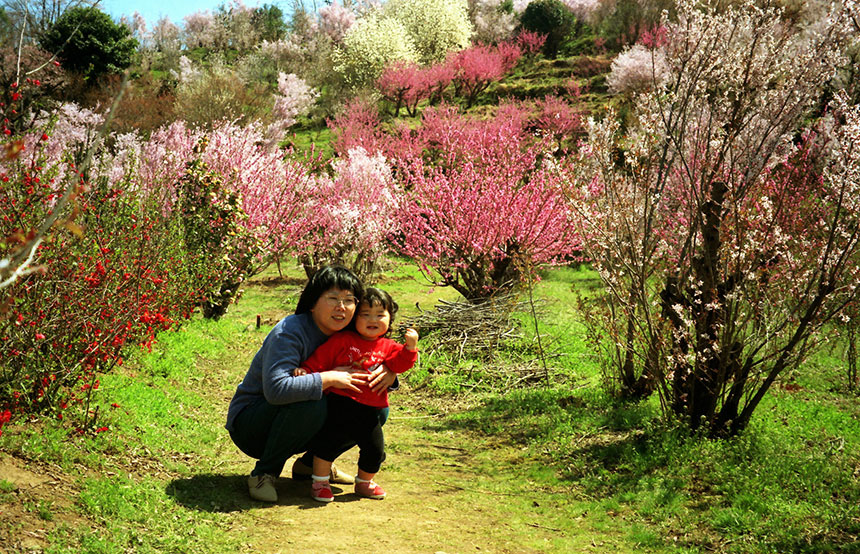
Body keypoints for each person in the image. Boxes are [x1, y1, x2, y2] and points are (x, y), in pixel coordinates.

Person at [225, 266, 397, 503]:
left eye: (349, 300)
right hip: (253, 424)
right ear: (313, 302)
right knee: (312, 402)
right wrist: (330, 377)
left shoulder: (349, 332)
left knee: (374, 409)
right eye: (333, 298)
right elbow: (276, 390)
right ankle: (264, 473)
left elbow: (380, 352)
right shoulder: (289, 332)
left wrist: (390, 371)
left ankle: (312, 465)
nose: (341, 307)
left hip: (300, 419)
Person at [293, 287, 418, 502]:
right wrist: (306, 370)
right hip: (339, 405)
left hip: (370, 411)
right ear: (354, 319)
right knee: (327, 445)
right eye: (365, 314)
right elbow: (320, 360)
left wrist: (411, 347)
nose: (373, 319)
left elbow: (401, 363)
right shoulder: (343, 340)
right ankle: (320, 482)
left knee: (375, 449)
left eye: (380, 315)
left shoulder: (389, 347)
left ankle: (364, 482)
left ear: (390, 319)